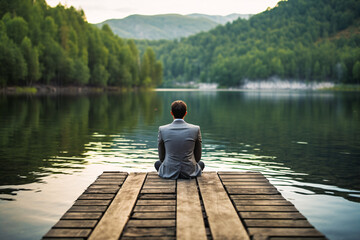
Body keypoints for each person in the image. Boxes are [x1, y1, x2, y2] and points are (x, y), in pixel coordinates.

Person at [154, 100, 205, 179]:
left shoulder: (163, 129)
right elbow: (198, 157)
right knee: (201, 164)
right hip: (189, 172)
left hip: (169, 171)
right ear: (185, 113)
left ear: (171, 113)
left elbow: (161, 157)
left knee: (157, 163)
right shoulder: (195, 129)